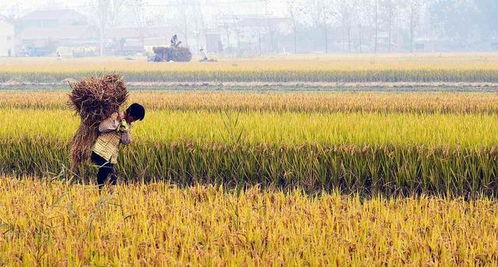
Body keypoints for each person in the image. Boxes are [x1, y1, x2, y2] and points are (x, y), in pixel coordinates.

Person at [91, 103, 145, 188]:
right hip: (100, 151)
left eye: (135, 120)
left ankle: (100, 192)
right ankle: (100, 191)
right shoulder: (115, 115)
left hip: (111, 155)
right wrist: (117, 122)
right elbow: (101, 128)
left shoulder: (128, 124)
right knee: (110, 174)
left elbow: (126, 142)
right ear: (129, 113)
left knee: (107, 175)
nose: (133, 120)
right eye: (133, 118)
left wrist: (125, 131)